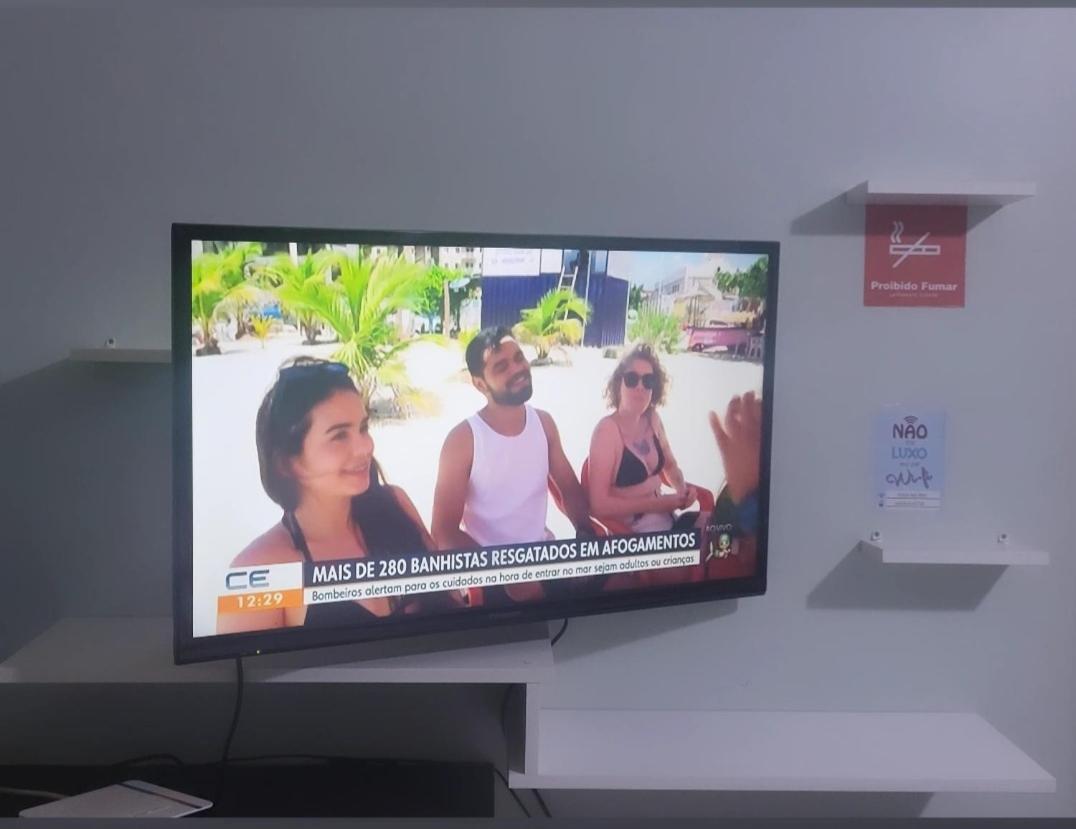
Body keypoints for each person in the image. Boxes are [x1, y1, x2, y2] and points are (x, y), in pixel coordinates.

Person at [217, 357, 461, 634]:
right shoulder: (259, 568)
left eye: (363, 428)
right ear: (287, 462)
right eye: (339, 436)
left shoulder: (396, 505)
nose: (365, 447)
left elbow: (452, 607)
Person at [431, 326, 594, 603]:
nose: (517, 369)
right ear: (480, 384)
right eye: (501, 366)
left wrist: (586, 534)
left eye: (519, 357)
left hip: (546, 560)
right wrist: (504, 573)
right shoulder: (463, 440)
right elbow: (443, 531)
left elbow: (568, 488)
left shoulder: (544, 423)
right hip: (490, 574)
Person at [587, 344, 702, 534]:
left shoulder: (653, 420)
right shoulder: (607, 431)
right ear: (618, 384)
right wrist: (657, 504)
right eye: (632, 379)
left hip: (667, 520)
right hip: (634, 534)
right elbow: (598, 505)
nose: (640, 387)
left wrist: (682, 491)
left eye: (648, 381)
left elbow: (670, 466)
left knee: (720, 529)